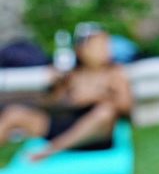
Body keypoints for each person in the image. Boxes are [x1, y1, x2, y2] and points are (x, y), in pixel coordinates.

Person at [0, 25, 132, 162]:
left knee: (106, 112)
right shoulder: (71, 74)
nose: (104, 50)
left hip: (94, 135)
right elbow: (51, 105)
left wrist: (97, 96)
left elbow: (126, 109)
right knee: (14, 114)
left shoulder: (114, 73)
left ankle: (50, 150)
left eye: (106, 44)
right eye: (97, 46)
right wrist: (57, 87)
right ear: (80, 50)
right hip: (66, 125)